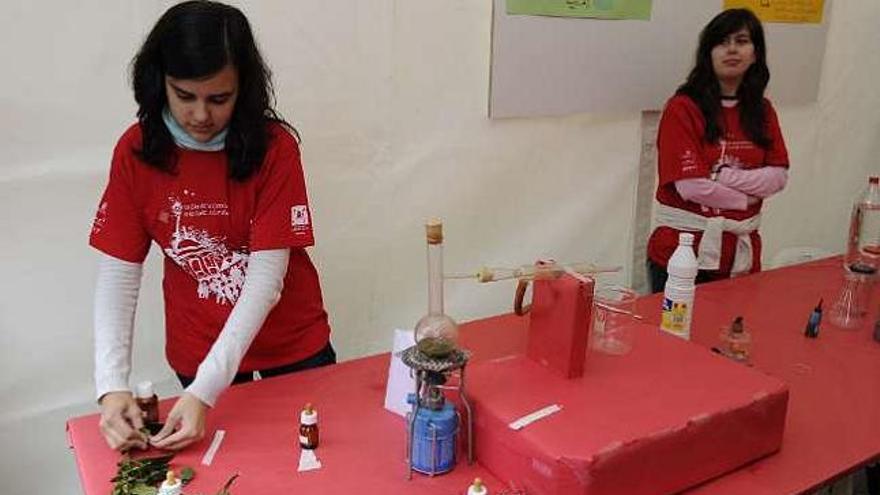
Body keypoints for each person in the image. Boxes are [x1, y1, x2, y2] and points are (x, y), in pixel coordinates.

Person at [90, 0, 334, 452]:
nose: (201, 116)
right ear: (159, 82)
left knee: (314, 462)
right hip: (198, 349)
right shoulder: (136, 151)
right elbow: (120, 274)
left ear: (245, 89)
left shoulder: (275, 149)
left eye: (219, 99)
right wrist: (111, 385)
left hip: (293, 346)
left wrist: (206, 389)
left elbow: (265, 280)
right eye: (184, 95)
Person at [647, 8, 790, 293]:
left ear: (756, 52)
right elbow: (691, 187)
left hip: (740, 254)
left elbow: (777, 177)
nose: (732, 49)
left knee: (731, 335)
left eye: (742, 40)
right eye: (722, 42)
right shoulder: (683, 108)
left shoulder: (762, 110)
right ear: (708, 52)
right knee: (677, 335)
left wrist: (722, 177)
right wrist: (747, 198)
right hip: (681, 254)